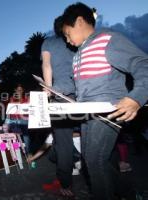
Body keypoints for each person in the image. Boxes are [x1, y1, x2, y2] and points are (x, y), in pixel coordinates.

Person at [60, 2, 148, 199]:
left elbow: (142, 64)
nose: (67, 40)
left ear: (80, 21)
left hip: (108, 110)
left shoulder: (107, 39)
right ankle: (130, 193)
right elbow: (82, 88)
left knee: (95, 159)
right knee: (94, 159)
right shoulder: (77, 56)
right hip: (88, 113)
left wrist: (136, 97)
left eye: (67, 34)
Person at [40, 16, 78, 196]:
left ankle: (66, 184)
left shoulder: (48, 43)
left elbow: (47, 65)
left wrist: (48, 90)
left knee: (63, 141)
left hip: (60, 95)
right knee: (91, 138)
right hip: (82, 94)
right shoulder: (76, 41)